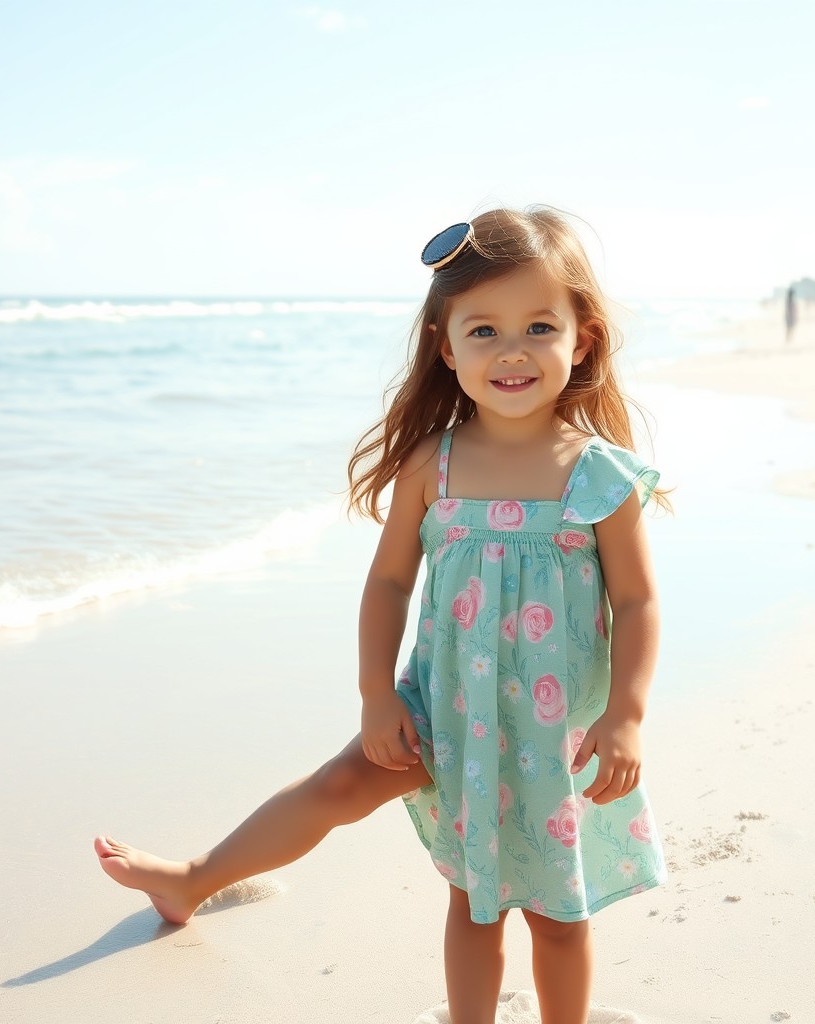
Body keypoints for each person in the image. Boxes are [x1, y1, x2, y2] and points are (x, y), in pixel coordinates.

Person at [95, 207, 668, 1024]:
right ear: (446, 346)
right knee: (366, 808)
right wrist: (376, 693)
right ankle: (193, 879)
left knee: (551, 910)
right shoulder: (430, 465)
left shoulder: (600, 478)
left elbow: (640, 599)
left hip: (552, 733)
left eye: (539, 326)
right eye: (484, 330)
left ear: (583, 339)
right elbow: (390, 582)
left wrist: (627, 717)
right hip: (445, 707)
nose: (511, 350)